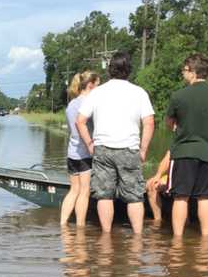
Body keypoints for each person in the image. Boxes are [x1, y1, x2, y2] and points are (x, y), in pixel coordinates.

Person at [76, 52, 155, 234]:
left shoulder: (97, 92)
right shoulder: (139, 92)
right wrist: (143, 149)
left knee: (104, 195)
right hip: (129, 149)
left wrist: (89, 144)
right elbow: (149, 122)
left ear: (110, 69)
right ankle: (137, 238)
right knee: (135, 196)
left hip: (102, 149)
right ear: (129, 70)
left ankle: (106, 236)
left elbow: (79, 121)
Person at [162, 53, 208, 237]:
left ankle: (178, 240)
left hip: (184, 152)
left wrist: (177, 126)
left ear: (192, 71)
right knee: (205, 197)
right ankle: (205, 240)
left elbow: (169, 122)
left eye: (184, 70)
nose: (183, 73)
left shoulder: (178, 96)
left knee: (181, 197)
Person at [61, 70, 100, 227]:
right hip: (85, 153)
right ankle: (80, 228)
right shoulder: (88, 103)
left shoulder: (72, 103)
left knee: (74, 190)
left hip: (72, 153)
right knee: (84, 192)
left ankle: (63, 224)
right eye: (98, 85)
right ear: (90, 85)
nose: (99, 88)